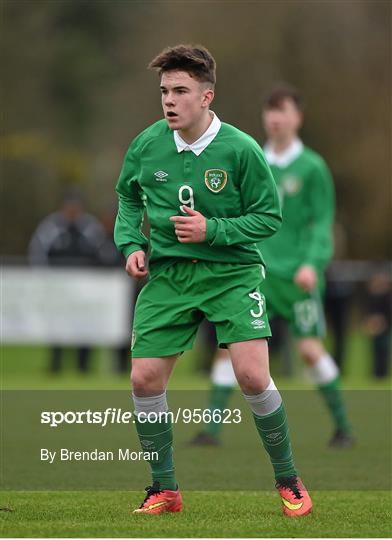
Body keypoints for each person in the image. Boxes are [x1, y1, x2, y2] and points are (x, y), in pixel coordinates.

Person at [114, 45, 312, 517]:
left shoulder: (241, 149)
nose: (169, 101)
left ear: (206, 97)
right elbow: (127, 199)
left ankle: (289, 480)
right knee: (143, 379)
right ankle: (164, 489)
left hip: (231, 271)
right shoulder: (147, 144)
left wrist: (213, 230)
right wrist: (131, 245)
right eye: (164, 91)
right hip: (171, 275)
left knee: (251, 375)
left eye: (180, 91)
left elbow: (268, 217)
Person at [192, 85, 354, 449]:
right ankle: (211, 432)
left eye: (282, 111)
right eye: (269, 111)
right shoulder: (251, 157)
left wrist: (313, 263)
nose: (274, 118)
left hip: (297, 277)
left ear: (297, 117)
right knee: (229, 347)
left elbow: (321, 223)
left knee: (310, 350)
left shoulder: (313, 168)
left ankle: (343, 427)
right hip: (254, 273)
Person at [29, 191, 106, 373]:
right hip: (58, 288)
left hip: (85, 290)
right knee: (57, 326)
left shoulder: (90, 227)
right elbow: (37, 252)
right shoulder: (50, 226)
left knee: (85, 327)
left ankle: (83, 366)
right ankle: (55, 365)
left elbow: (103, 253)